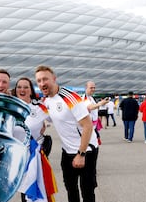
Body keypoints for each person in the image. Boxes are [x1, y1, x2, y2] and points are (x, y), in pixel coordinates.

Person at [35, 65, 97, 202]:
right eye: (39, 81)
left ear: (54, 79)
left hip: (86, 150)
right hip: (67, 151)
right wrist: (42, 124)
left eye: (45, 79)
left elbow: (88, 126)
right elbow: (49, 117)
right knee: (71, 189)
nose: (42, 83)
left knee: (87, 191)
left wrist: (81, 154)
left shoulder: (69, 97)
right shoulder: (46, 101)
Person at [13, 77, 56, 202]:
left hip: (35, 156)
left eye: (26, 87)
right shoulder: (10, 107)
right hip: (17, 157)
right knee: (23, 190)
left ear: (31, 90)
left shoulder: (39, 107)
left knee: (36, 191)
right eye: (19, 87)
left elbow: (58, 118)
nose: (22, 89)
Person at [81, 81, 108, 145]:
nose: (93, 89)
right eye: (91, 88)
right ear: (86, 88)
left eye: (94, 88)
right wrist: (101, 103)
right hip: (87, 127)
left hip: (93, 125)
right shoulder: (84, 98)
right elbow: (90, 107)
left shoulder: (91, 98)